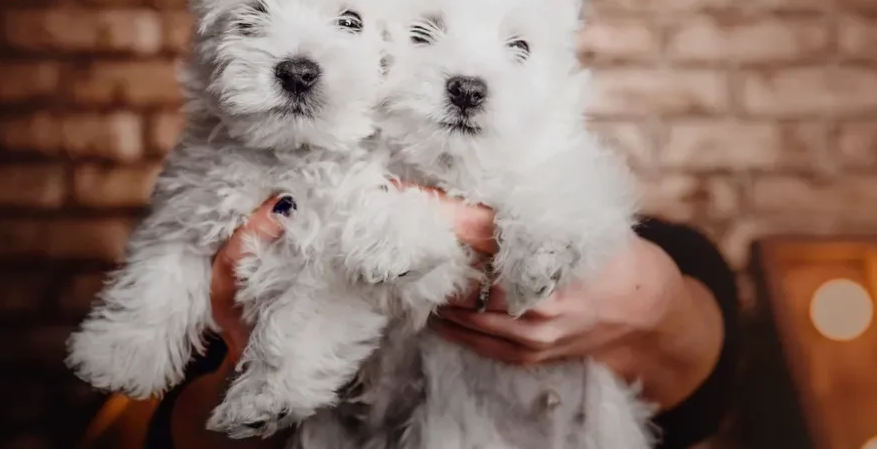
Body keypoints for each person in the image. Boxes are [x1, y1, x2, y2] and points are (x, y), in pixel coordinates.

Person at [145, 189, 739, 449]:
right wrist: (260, 378)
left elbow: (700, 389)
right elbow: (181, 430)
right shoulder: (252, 239)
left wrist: (653, 301)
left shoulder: (644, 240)